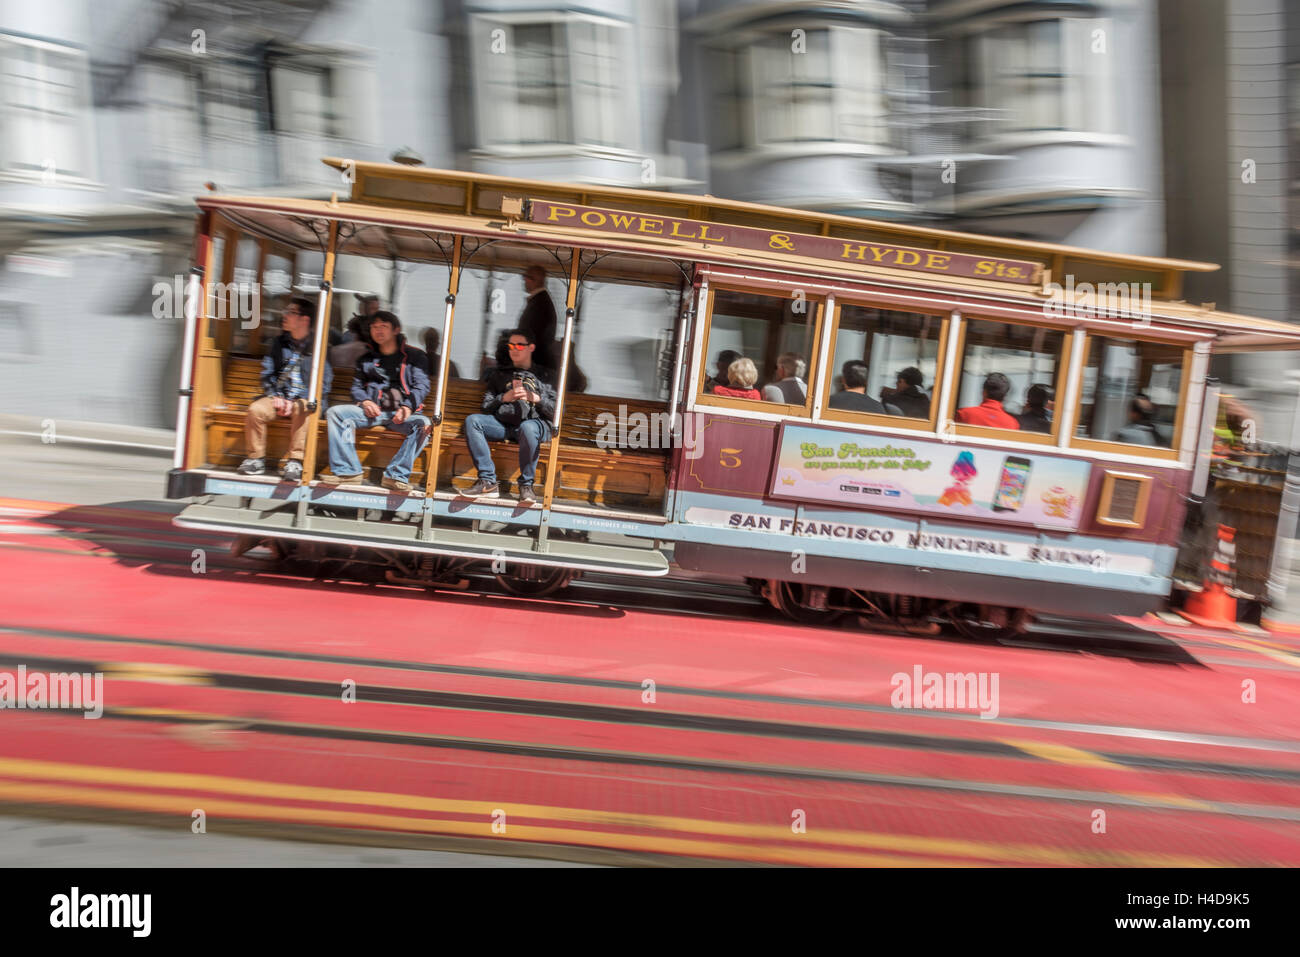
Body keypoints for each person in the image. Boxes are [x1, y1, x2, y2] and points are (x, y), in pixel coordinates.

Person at [321, 311, 432, 492]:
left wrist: (408, 406)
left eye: (383, 326)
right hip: (373, 413)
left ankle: (395, 475)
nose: (378, 330)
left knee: (424, 425)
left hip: (401, 415)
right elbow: (356, 388)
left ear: (396, 330)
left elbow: (422, 386)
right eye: (374, 327)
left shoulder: (415, 357)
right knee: (336, 413)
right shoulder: (366, 359)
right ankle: (349, 472)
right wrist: (364, 401)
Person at [459, 329, 557, 505]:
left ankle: (526, 485)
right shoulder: (499, 374)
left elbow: (558, 412)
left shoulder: (546, 376)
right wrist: (503, 398)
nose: (514, 349)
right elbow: (486, 406)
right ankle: (487, 482)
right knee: (472, 421)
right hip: (505, 426)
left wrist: (535, 398)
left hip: (534, 425)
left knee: (528, 428)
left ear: (531, 347)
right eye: (511, 345)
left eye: (519, 345)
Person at [238, 297, 332, 482]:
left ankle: (295, 461)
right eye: (286, 311)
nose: (285, 315)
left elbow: (324, 382)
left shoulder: (320, 346)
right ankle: (255, 459)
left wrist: (296, 400)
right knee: (255, 410)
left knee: (302, 407)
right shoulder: (278, 343)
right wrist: (275, 396)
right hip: (280, 397)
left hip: (305, 400)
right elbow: (267, 373)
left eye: (291, 312)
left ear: (304, 320)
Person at [519, 266, 558, 370]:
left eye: (526, 277)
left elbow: (528, 334)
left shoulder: (539, 303)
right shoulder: (541, 300)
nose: (524, 281)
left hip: (535, 363)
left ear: (533, 280)